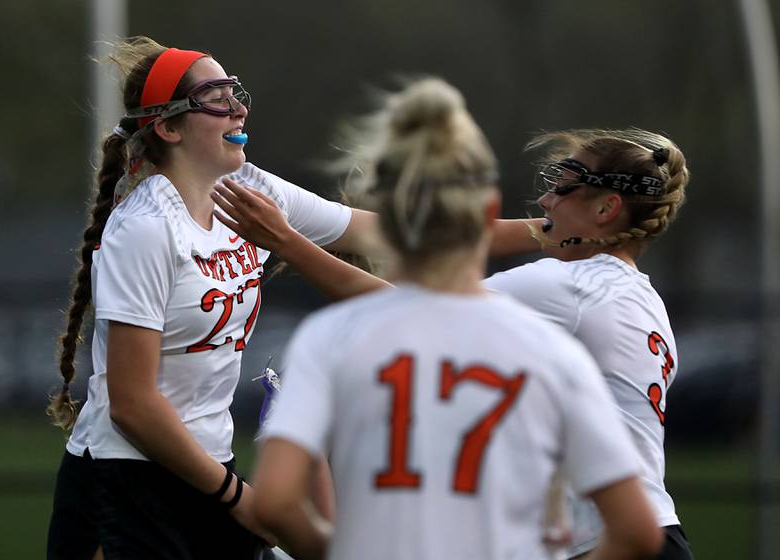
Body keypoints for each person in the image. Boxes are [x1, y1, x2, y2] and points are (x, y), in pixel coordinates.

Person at [242, 77, 663, 560]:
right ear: (488, 213)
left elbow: (274, 503)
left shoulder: (329, 338)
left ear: (386, 224)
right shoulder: (546, 345)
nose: (547, 205)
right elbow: (636, 529)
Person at [45, 36, 359, 560]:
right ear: (167, 127)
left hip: (205, 464)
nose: (239, 106)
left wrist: (535, 233)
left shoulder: (247, 193)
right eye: (216, 96)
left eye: (236, 91)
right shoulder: (147, 228)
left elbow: (379, 232)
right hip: (131, 476)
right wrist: (236, 498)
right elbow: (133, 405)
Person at [483, 129, 694, 560]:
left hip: (613, 543)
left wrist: (303, 241)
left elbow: (409, 309)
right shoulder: (637, 293)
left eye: (562, 187)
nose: (545, 202)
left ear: (606, 207)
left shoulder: (571, 286)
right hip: (647, 536)